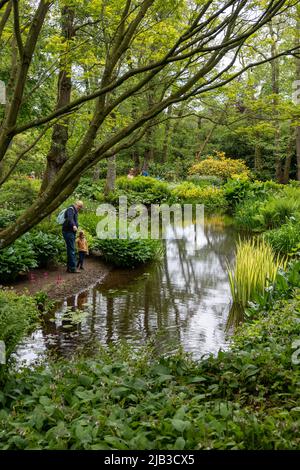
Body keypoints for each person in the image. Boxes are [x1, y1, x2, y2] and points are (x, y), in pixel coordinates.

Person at [62, 200, 84, 273]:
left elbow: (74, 220)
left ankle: (69, 268)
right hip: (68, 232)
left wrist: (77, 227)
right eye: (79, 206)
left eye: (81, 207)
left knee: (70, 249)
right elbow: (70, 218)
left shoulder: (75, 210)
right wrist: (74, 225)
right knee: (72, 250)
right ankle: (73, 268)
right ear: (76, 204)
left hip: (71, 232)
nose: (80, 208)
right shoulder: (70, 209)